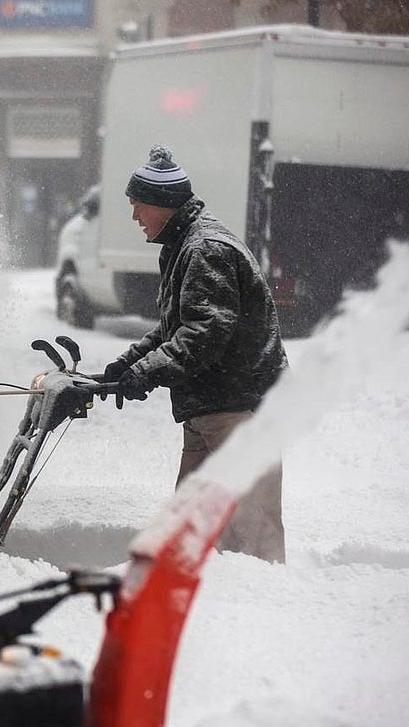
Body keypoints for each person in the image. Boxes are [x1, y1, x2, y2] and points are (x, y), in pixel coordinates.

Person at [104, 146, 289, 563]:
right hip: (211, 406)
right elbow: (179, 326)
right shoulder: (184, 244)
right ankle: (208, 607)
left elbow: (205, 334)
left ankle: (270, 611)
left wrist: (146, 373)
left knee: (252, 531)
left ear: (162, 204)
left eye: (137, 207)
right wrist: (129, 364)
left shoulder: (205, 249)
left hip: (241, 409)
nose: (135, 217)